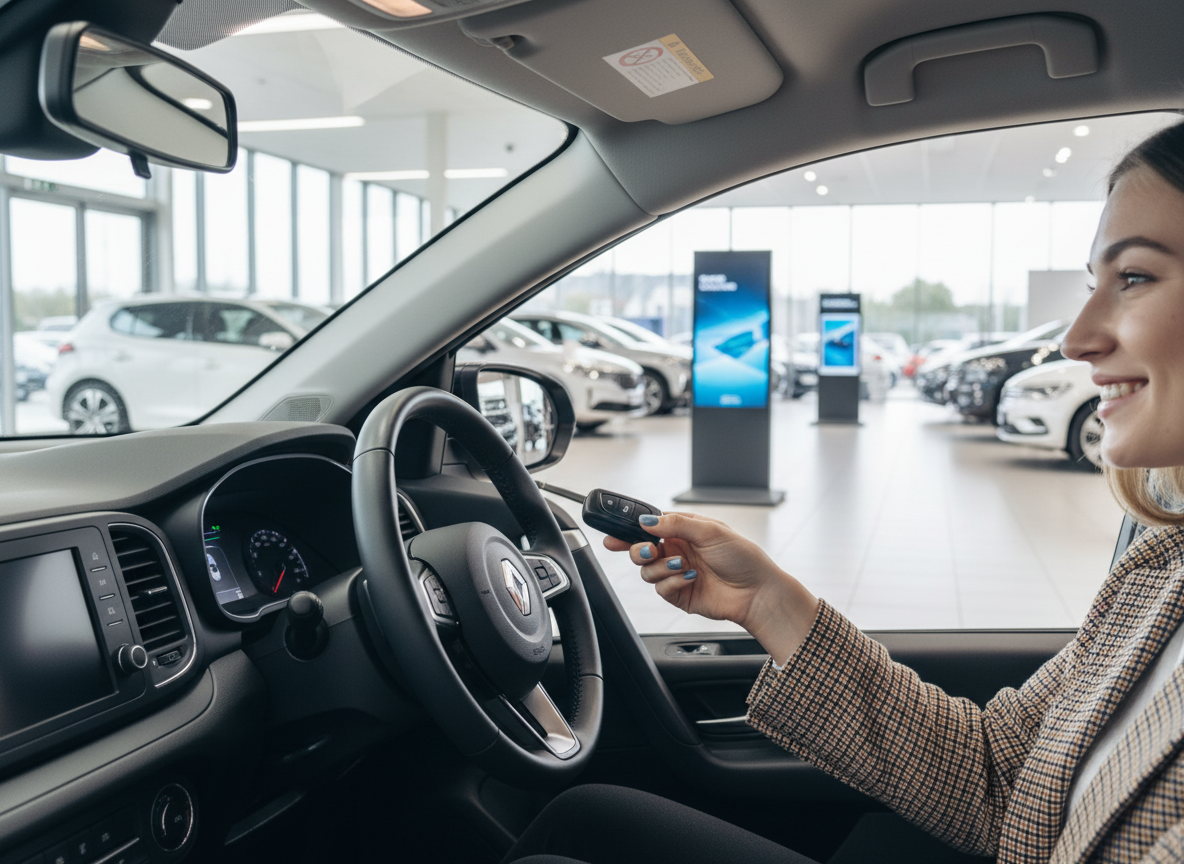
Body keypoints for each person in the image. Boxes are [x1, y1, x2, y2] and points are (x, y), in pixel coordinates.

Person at [504, 121, 1184, 864]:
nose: (1076, 337)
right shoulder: (1158, 574)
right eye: (1094, 286)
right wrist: (770, 602)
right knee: (587, 821)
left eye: (1137, 277)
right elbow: (996, 777)